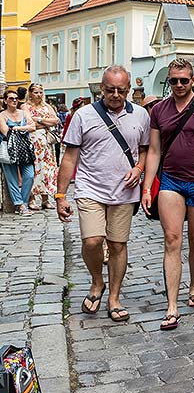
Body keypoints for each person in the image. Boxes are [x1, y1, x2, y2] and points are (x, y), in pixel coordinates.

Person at [56, 66, 150, 322]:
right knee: (92, 241)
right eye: (110, 90)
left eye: (121, 90)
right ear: (101, 88)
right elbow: (69, 157)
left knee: (118, 244)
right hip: (90, 188)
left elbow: (145, 150)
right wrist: (60, 195)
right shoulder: (83, 115)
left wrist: (140, 168)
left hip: (125, 190)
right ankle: (97, 282)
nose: (116, 95)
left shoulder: (141, 115)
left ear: (129, 90)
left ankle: (114, 297)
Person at [141, 58, 194, 331]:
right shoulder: (159, 111)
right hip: (171, 182)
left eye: (183, 80)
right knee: (171, 240)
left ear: (192, 79)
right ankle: (172, 306)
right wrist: (146, 187)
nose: (178, 85)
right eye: (174, 80)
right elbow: (154, 151)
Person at [22, 83, 60, 210]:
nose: (39, 95)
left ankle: (45, 199)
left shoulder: (46, 106)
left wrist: (39, 120)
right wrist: (44, 122)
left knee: (46, 170)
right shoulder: (25, 106)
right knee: (33, 170)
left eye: (40, 92)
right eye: (36, 92)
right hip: (32, 141)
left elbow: (56, 120)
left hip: (46, 143)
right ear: (30, 93)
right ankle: (31, 199)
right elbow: (29, 123)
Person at [0, 88, 36, 215]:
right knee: (12, 179)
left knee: (30, 175)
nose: (14, 100)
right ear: (5, 101)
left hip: (25, 149)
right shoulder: (2, 116)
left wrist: (16, 127)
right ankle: (20, 205)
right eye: (11, 98)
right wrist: (24, 128)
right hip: (9, 149)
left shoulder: (23, 113)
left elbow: (33, 126)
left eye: (16, 98)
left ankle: (23, 203)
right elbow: (6, 132)